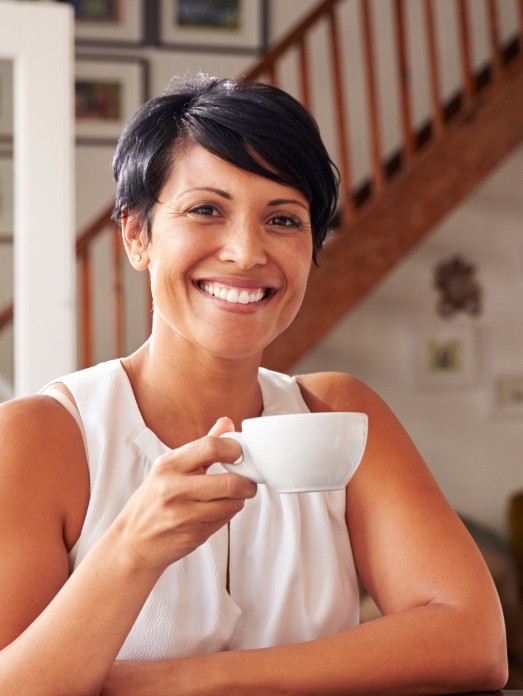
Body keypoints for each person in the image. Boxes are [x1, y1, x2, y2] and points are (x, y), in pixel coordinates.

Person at [0, 74, 507, 696]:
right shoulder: (41, 437)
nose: (245, 252)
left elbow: (475, 642)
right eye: (206, 209)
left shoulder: (338, 414)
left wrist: (185, 683)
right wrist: (130, 548)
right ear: (137, 235)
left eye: (284, 220)